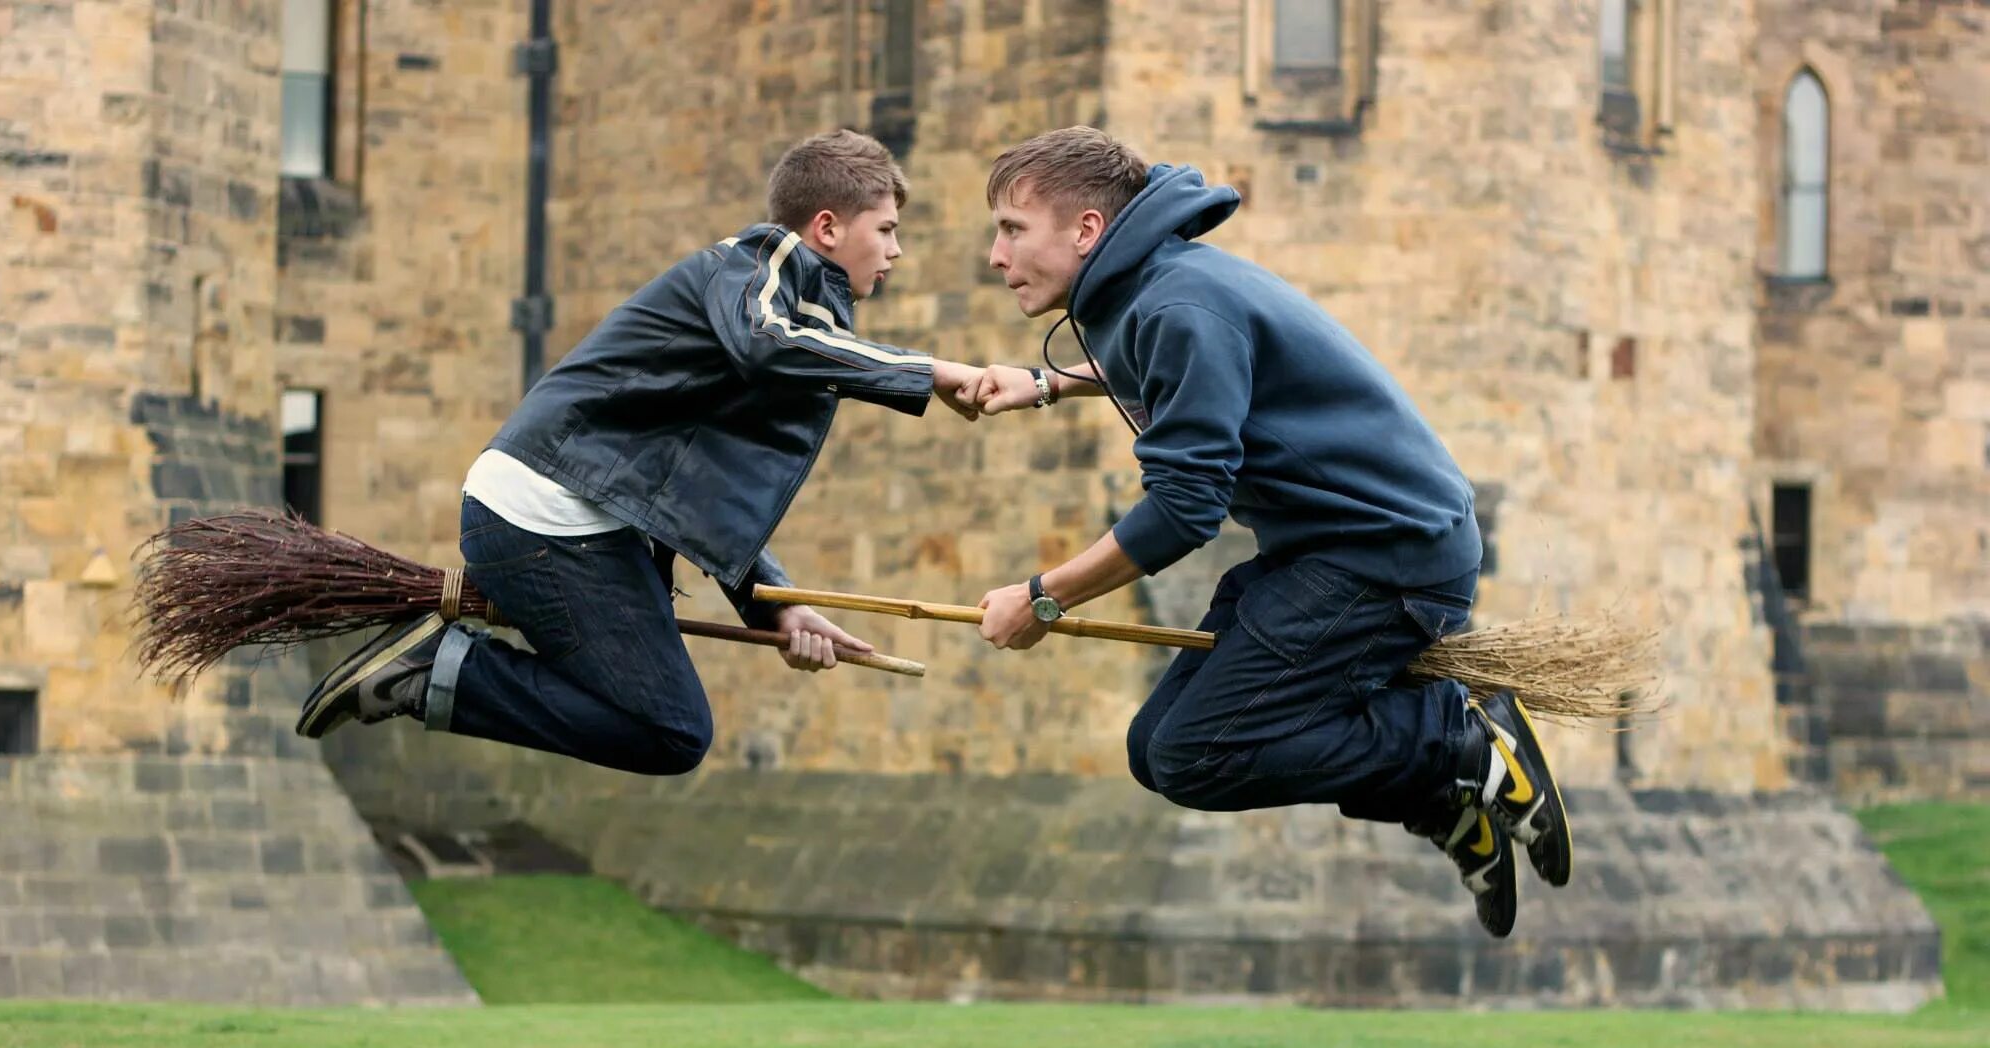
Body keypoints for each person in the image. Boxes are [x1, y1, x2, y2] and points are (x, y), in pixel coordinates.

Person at [964, 127, 1569, 937]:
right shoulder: (1150, 291)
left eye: (1012, 229)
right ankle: (1447, 790)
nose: (995, 255)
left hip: (1387, 558)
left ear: (1085, 232)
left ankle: (1457, 742)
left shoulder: (1176, 303)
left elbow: (1185, 509)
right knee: (1157, 751)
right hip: (1326, 550)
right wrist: (1045, 383)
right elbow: (1168, 368)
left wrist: (1044, 600)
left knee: (1195, 754)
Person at [296, 130, 984, 775]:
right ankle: (436, 670)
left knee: (672, 732)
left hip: (557, 523)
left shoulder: (791, 323)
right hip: (547, 520)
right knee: (674, 732)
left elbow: (697, 496)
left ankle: (437, 671)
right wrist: (930, 372)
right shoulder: (757, 267)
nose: (896, 251)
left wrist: (774, 608)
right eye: (887, 230)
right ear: (827, 227)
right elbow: (767, 341)